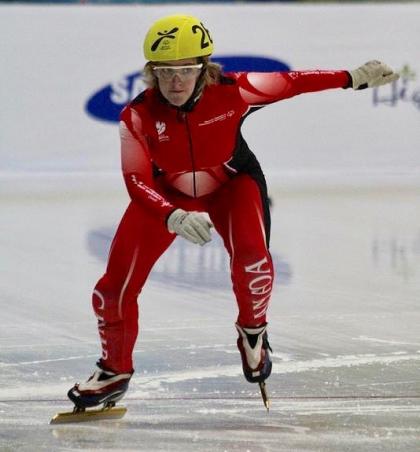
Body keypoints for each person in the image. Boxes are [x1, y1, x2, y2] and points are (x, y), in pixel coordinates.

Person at [68, 14, 399, 409]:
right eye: (164, 72)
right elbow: (136, 180)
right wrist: (171, 214)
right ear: (151, 73)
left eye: (186, 70)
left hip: (230, 184)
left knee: (253, 260)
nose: (175, 81)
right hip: (167, 193)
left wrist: (351, 76)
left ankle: (253, 333)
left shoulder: (235, 90)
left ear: (204, 69)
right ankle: (113, 370)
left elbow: (293, 83)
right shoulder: (136, 116)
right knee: (113, 287)